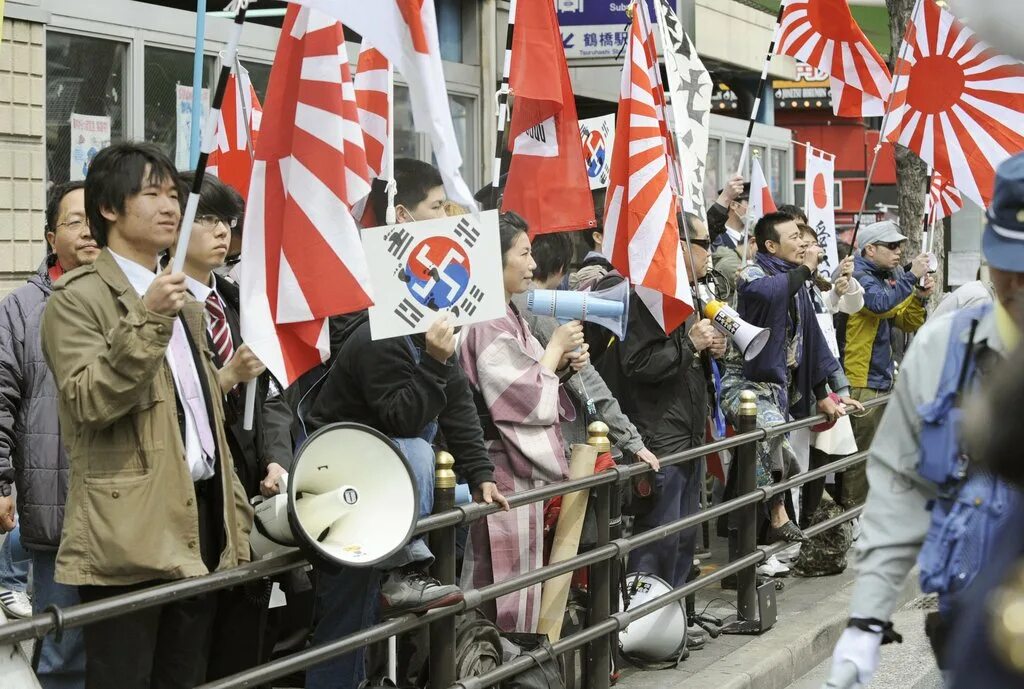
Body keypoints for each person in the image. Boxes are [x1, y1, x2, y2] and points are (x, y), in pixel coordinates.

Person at [40, 142, 253, 689]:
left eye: (172, 195)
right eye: (151, 193)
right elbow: (89, 401)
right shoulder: (76, 299)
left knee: (188, 674)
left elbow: (197, 420)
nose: (170, 207)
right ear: (109, 209)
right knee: (126, 677)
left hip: (199, 514)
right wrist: (148, 318)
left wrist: (235, 516)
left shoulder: (184, 300)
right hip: (130, 531)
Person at [825, 153, 1024, 688]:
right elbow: (896, 489)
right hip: (974, 628)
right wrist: (866, 622)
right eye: (1011, 263)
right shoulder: (947, 348)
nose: (1019, 284)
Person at [172, 172, 296, 681]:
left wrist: (276, 458)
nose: (223, 231)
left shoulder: (239, 299)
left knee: (246, 637)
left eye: (228, 221)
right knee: (190, 634)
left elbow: (271, 395)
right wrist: (224, 379)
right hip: (193, 493)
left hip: (249, 486)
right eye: (207, 218)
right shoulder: (165, 305)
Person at [459, 211, 584, 633]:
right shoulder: (486, 317)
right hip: (499, 467)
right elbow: (523, 397)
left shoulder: (503, 312)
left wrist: (559, 365)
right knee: (501, 593)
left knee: (517, 587)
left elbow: (534, 382)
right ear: (495, 259)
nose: (533, 265)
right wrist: (554, 350)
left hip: (511, 469)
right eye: (524, 253)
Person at [591, 213, 723, 595]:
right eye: (704, 246)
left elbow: (682, 359)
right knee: (659, 535)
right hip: (659, 432)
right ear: (680, 246)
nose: (709, 256)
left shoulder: (684, 294)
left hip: (687, 429)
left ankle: (673, 617)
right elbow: (637, 363)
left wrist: (708, 347)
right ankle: (643, 621)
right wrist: (689, 345)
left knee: (683, 535)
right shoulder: (646, 295)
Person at [0, 180, 97, 685]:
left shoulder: (133, 302)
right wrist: (1, 483)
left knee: (119, 646)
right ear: (49, 236)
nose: (87, 231)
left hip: (123, 513)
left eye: (95, 219)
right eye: (74, 221)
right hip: (55, 510)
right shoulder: (20, 310)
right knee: (62, 648)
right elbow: (1, 400)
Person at [719, 212, 853, 543]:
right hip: (745, 385)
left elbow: (810, 343)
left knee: (768, 467)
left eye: (803, 238)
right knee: (772, 439)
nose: (802, 244)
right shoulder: (753, 273)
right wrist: (806, 270)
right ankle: (776, 518)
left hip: (778, 389)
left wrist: (826, 392)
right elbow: (768, 295)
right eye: (794, 238)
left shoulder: (797, 281)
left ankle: (755, 557)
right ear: (770, 246)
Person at [511, 232, 659, 469]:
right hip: (556, 443)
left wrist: (565, 366)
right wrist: (632, 441)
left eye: (532, 253)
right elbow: (586, 381)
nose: (532, 263)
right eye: (524, 254)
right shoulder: (537, 311)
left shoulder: (516, 307)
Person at [841, 221, 934, 508]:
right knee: (859, 456)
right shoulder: (856, 276)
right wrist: (910, 277)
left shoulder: (883, 276)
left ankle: (862, 513)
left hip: (880, 377)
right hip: (860, 380)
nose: (899, 252)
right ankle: (851, 516)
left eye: (900, 247)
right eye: (891, 246)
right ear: (870, 249)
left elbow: (904, 321)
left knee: (875, 454)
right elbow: (879, 305)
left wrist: (919, 298)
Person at [707, 174, 749, 250]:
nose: (753, 209)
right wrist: (726, 197)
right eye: (749, 203)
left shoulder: (751, 240)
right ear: (733, 205)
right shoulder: (716, 240)